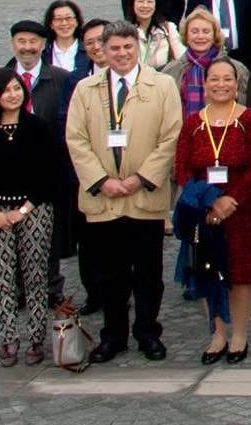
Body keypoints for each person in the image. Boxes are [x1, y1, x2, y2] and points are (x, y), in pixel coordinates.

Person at [63, 22, 184, 362]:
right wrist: (102, 181)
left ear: (138, 48)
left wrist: (140, 178)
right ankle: (112, 335)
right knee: (108, 274)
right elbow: (76, 140)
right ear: (103, 50)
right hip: (103, 200)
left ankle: (147, 331)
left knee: (148, 274)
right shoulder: (86, 89)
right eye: (114, 48)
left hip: (144, 197)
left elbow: (171, 136)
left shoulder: (162, 85)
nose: (122, 54)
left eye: (128, 47)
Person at [173, 56, 251, 364]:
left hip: (242, 209)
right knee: (207, 270)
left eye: (227, 78)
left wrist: (230, 201)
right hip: (204, 210)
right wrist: (211, 200)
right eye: (215, 78)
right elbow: (183, 169)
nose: (221, 84)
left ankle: (239, 334)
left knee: (239, 274)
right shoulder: (193, 122)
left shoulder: (249, 119)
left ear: (236, 83)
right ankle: (217, 334)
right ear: (205, 82)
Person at [0, 67, 56, 366]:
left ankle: (35, 338)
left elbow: (49, 176)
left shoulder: (38, 127)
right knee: (3, 278)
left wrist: (23, 211)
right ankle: (8, 339)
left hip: (33, 209)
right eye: (6, 90)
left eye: (17, 88)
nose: (13, 94)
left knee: (35, 276)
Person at [127, 0, 185, 70]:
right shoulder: (126, 32)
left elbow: (182, 59)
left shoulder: (168, 29)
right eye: (141, 1)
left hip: (164, 80)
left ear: (156, 5)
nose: (145, 5)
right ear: (133, 4)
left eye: (150, 1)